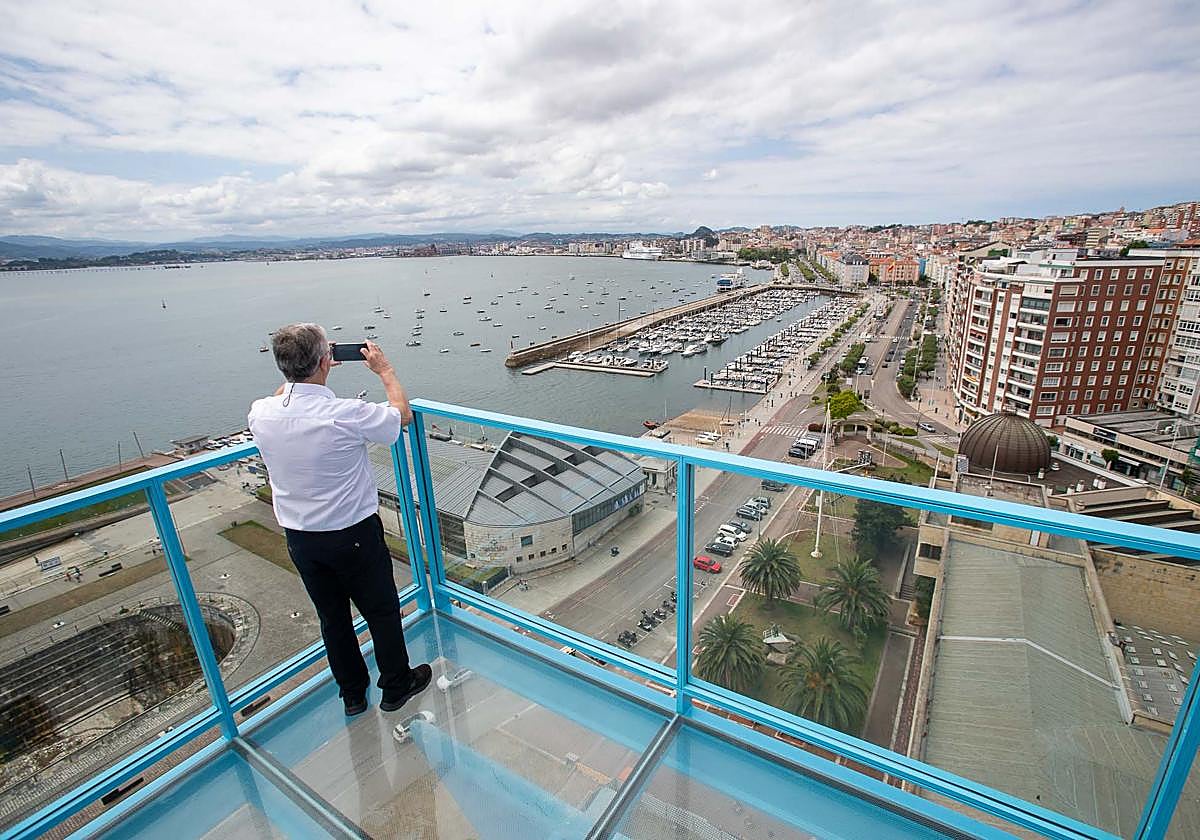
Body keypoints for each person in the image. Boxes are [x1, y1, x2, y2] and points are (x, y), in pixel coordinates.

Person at [248, 324, 430, 716]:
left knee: (332, 619)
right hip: (353, 534)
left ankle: (352, 694)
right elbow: (402, 416)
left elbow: (286, 394)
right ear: (325, 361)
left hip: (300, 536)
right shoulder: (345, 413)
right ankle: (396, 686)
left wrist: (307, 372)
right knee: (380, 612)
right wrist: (385, 371)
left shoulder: (261, 413)